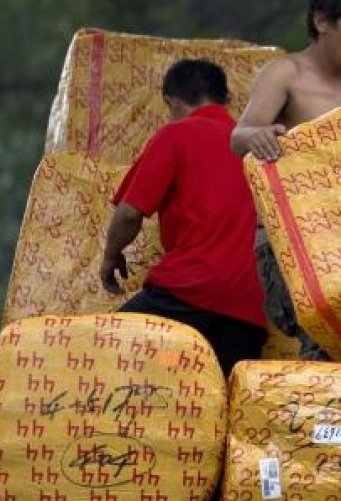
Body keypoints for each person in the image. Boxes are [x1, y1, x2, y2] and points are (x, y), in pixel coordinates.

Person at [232, 0, 341, 361]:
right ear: (321, 21)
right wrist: (259, 136)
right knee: (327, 334)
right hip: (291, 238)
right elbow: (239, 136)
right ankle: (318, 420)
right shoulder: (287, 73)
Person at [100, 59, 267, 376]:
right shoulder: (255, 147)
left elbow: (129, 213)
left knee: (108, 351)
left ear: (173, 102)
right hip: (249, 308)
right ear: (224, 100)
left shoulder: (177, 135)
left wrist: (110, 257)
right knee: (214, 392)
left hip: (189, 292)